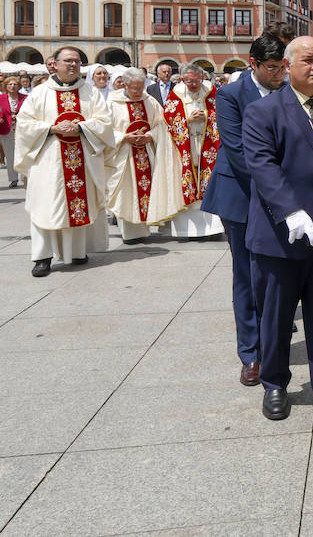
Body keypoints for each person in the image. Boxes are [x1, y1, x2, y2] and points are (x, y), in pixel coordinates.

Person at [242, 36, 313, 421]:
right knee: (276, 314)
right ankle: (274, 383)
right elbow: (262, 166)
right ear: (288, 66)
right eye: (308, 61)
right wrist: (292, 212)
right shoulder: (265, 111)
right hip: (283, 234)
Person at [202, 33, 287, 387]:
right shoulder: (231, 95)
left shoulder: (288, 92)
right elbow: (239, 152)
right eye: (272, 68)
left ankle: (274, 342)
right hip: (241, 194)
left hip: (282, 196)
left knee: (276, 275)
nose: (279, 74)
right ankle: (251, 353)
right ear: (252, 64)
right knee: (247, 275)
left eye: (283, 67)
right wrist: (281, 188)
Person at [14, 47, 115, 276]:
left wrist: (80, 127)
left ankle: (76, 252)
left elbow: (104, 121)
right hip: (49, 161)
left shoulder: (90, 91)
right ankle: (42, 257)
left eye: (77, 61)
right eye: (68, 61)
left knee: (79, 204)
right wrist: (51, 128)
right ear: (55, 64)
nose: (73, 65)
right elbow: (24, 124)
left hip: (82, 160)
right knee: (46, 206)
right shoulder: (40, 93)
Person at [105, 67, 181, 244]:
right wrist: (123, 137)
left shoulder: (150, 101)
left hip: (146, 154)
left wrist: (150, 136)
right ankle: (130, 233)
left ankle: (144, 230)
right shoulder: (112, 103)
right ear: (125, 85)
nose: (139, 92)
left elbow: (161, 125)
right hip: (123, 156)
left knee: (146, 190)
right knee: (126, 193)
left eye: (141, 87)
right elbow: (104, 129)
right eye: (134, 88)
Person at [162, 63, 222, 239]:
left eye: (197, 81)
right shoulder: (176, 94)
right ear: (182, 80)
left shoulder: (212, 92)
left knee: (211, 184)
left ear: (203, 78)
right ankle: (189, 231)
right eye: (189, 81)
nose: (194, 85)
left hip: (208, 146)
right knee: (187, 184)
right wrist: (187, 119)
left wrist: (208, 117)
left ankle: (214, 229)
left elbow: (222, 114)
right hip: (186, 148)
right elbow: (168, 119)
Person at [0, 77, 23, 188]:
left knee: (23, 153)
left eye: (15, 84)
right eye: (10, 84)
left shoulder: (25, 98)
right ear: (6, 86)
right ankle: (13, 178)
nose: (12, 86)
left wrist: (21, 117)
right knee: (9, 154)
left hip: (22, 129)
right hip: (6, 128)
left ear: (19, 86)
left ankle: (25, 176)